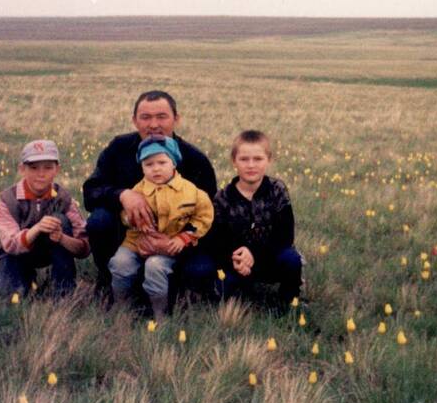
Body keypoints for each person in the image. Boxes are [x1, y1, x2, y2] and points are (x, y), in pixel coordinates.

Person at [83, 90, 218, 303]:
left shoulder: (195, 160)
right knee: (99, 220)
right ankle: (109, 280)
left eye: (162, 116)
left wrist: (176, 241)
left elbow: (209, 216)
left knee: (201, 271)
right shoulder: (119, 148)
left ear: (176, 119)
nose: (153, 124)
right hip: (130, 238)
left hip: (179, 242)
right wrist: (123, 195)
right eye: (146, 117)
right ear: (134, 121)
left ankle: (169, 291)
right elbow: (91, 192)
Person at [108, 136, 214, 318]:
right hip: (137, 242)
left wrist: (184, 237)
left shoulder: (192, 192)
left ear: (173, 163)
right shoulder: (137, 191)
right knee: (120, 264)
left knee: (155, 266)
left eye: (162, 162)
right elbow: (124, 217)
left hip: (171, 244)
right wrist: (133, 220)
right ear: (141, 167)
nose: (156, 168)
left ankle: (160, 312)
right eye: (149, 164)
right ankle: (122, 306)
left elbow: (203, 218)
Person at [208, 130, 302, 310]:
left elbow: (285, 235)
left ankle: (288, 302)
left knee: (291, 258)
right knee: (224, 293)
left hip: (269, 256)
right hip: (237, 262)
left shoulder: (277, 190)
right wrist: (237, 258)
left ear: (269, 160)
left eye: (258, 159)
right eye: (244, 159)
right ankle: (243, 292)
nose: (251, 165)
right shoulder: (223, 198)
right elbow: (218, 240)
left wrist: (254, 253)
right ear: (234, 161)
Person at [0, 139, 89, 298]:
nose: (41, 174)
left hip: (51, 251)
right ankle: (26, 278)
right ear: (22, 169)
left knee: (60, 220)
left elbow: (84, 247)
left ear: (57, 169)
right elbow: (10, 245)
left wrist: (62, 238)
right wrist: (37, 229)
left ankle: (63, 292)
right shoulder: (7, 199)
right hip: (16, 255)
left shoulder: (63, 198)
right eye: (34, 168)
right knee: (4, 299)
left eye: (48, 167)